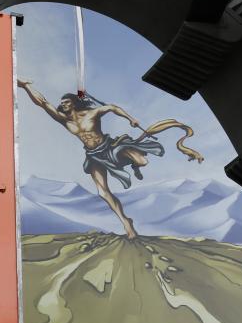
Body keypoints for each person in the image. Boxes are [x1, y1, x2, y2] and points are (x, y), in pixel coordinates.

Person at [17, 79, 203, 239]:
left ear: (74, 103)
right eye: (62, 103)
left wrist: (130, 118)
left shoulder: (91, 113)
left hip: (110, 147)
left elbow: (112, 107)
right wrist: (26, 86)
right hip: (93, 156)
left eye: (66, 102)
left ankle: (133, 164)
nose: (63, 105)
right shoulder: (64, 120)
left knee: (142, 161)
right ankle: (126, 222)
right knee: (102, 192)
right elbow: (42, 103)